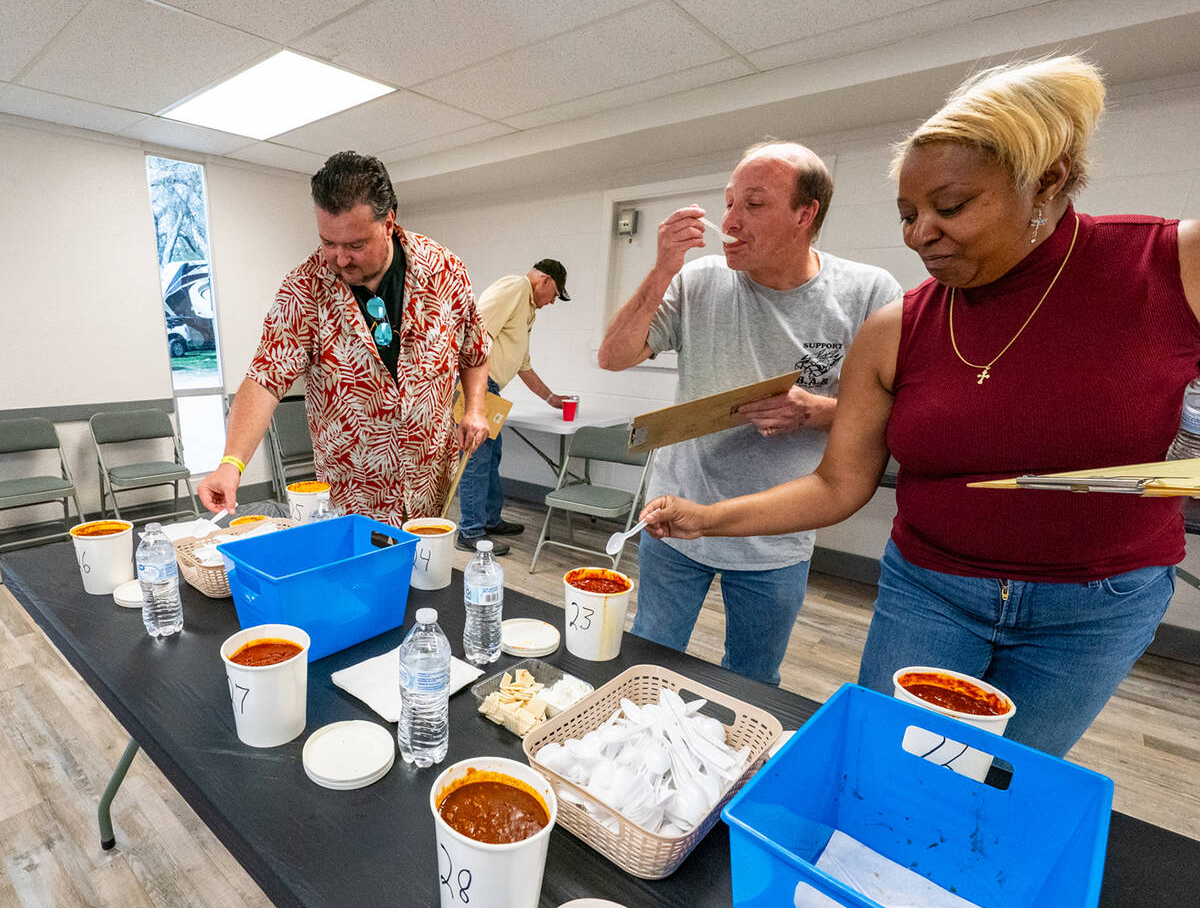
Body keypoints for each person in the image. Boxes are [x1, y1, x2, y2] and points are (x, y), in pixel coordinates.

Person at [639, 56, 1200, 757]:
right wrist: (705, 519)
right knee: (892, 761)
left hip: (1095, 605)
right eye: (907, 214)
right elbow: (838, 484)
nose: (919, 233)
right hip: (931, 590)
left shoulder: (1171, 264)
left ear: (1047, 181)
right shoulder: (897, 326)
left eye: (950, 207)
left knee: (1007, 775)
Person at [598, 141, 901, 684]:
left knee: (753, 677)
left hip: (776, 534)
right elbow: (613, 356)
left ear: (805, 214)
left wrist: (817, 410)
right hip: (675, 513)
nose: (731, 221)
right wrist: (663, 268)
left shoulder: (868, 293)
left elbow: (895, 413)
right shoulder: (700, 280)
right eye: (729, 203)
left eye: (754, 204)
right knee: (649, 660)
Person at [197, 152, 490, 525]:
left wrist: (475, 409)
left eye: (355, 245)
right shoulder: (305, 289)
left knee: (425, 564)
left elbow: (474, 353)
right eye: (328, 242)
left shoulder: (444, 270)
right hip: (352, 494)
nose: (340, 258)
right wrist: (231, 463)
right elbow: (265, 379)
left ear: (388, 223)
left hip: (429, 483)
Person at [456, 259, 571, 555]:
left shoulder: (528, 309)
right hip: (479, 386)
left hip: (490, 388)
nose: (552, 302)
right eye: (555, 295)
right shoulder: (516, 287)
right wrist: (477, 392)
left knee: (491, 455)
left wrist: (552, 398)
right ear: (545, 281)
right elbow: (477, 334)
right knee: (476, 459)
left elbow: (523, 366)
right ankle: (470, 532)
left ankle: (490, 520)